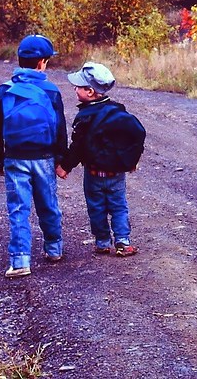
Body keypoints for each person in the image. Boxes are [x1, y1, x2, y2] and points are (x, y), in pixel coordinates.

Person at [0, 34, 68, 278]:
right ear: (43, 62)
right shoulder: (51, 91)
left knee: (18, 209)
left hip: (15, 159)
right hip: (44, 158)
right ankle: (54, 249)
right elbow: (60, 129)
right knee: (48, 205)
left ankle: (20, 260)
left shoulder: (5, 90)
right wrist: (60, 159)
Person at [61, 62, 146, 257]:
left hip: (92, 175)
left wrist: (65, 166)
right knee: (119, 207)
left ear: (90, 92)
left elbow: (78, 148)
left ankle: (102, 242)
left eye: (79, 87)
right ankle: (123, 242)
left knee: (96, 208)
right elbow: (137, 134)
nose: (75, 89)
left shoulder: (85, 117)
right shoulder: (119, 113)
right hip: (116, 174)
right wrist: (130, 161)